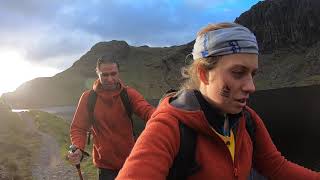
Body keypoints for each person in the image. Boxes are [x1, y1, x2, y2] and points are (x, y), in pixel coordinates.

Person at [116, 22, 320, 179]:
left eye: (252, 74)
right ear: (203, 73)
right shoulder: (169, 126)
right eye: (238, 72)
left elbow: (276, 167)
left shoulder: (246, 119)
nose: (251, 86)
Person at [67, 55, 155, 180]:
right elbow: (78, 128)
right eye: (104, 75)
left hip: (130, 161)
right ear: (97, 73)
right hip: (105, 166)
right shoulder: (88, 98)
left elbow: (148, 111)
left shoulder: (128, 94)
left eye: (113, 74)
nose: (110, 79)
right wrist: (78, 148)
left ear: (118, 73)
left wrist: (166, 114)